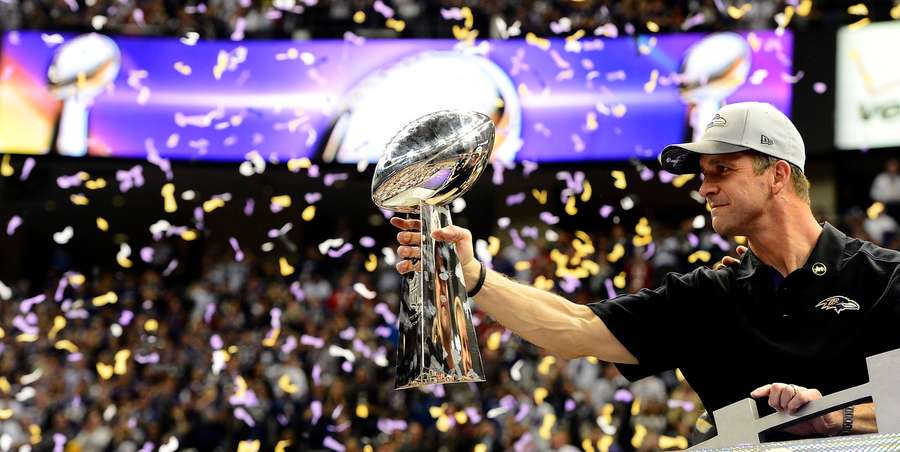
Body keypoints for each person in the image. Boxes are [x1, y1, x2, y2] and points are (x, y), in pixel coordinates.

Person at [391, 102, 899, 444]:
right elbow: (573, 329)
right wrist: (474, 275)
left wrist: (835, 418)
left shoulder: (883, 278)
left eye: (723, 170)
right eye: (703, 175)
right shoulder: (708, 296)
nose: (705, 188)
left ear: (778, 175)